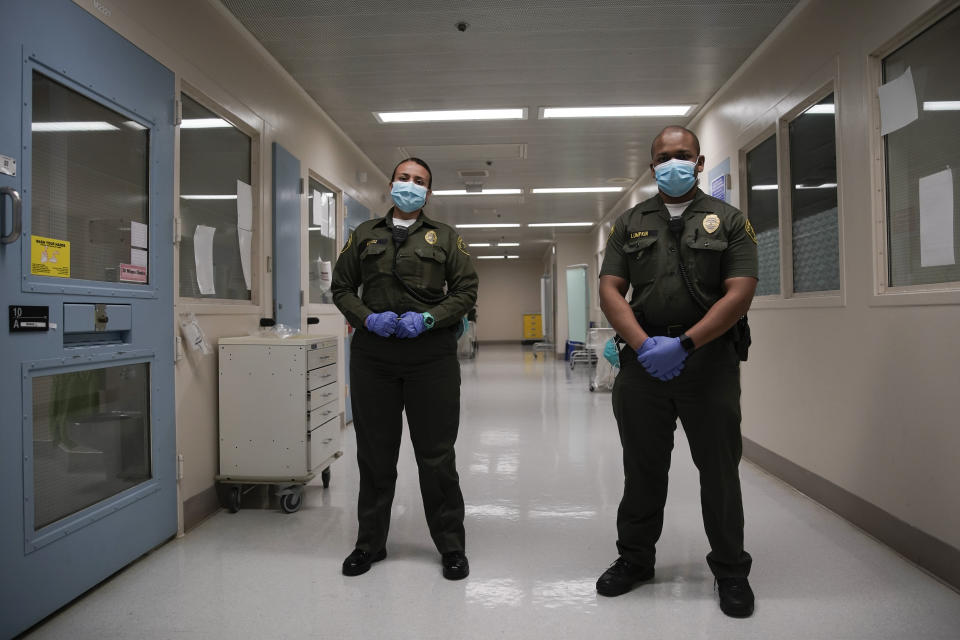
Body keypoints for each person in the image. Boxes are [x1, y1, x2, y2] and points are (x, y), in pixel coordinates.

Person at [596, 126, 759, 617]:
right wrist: (646, 347)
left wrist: (686, 344)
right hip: (644, 364)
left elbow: (740, 291)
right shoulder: (630, 223)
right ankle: (635, 560)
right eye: (664, 157)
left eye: (683, 155)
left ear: (700, 161)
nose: (674, 163)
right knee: (642, 468)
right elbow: (610, 289)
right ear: (652, 167)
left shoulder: (729, 220)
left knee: (719, 470)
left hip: (708, 362)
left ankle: (730, 570)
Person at [331, 157, 478, 581]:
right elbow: (341, 286)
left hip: (430, 356)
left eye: (420, 182)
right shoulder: (363, 235)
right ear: (391, 184)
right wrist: (365, 318)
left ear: (428, 193)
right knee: (375, 455)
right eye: (404, 178)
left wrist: (431, 318)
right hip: (374, 356)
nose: (410, 185)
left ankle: (451, 547)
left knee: (436, 457)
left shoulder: (446, 237)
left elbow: (466, 289)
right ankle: (369, 544)